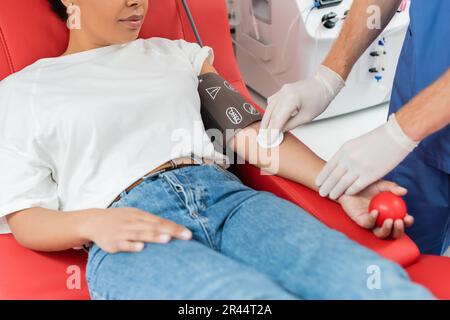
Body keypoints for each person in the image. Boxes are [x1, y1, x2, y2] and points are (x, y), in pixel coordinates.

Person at [0, 0, 433, 299]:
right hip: (131, 227)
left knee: (363, 283)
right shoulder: (23, 92)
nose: (138, 3)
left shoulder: (177, 55)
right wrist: (93, 224)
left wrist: (341, 186)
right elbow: (26, 218)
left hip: (231, 201)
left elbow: (251, 135)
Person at [261, 0, 450, 256]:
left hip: (412, 126)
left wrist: (401, 132)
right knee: (407, 247)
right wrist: (328, 77)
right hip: (422, 79)